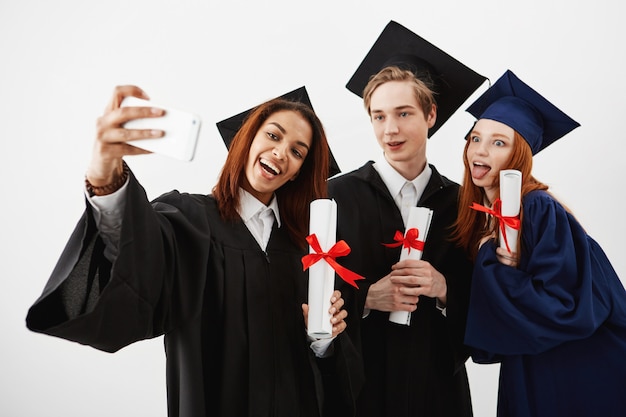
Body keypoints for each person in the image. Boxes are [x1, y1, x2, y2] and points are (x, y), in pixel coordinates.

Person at [26, 84, 362, 417]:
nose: (280, 152)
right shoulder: (188, 220)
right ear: (247, 140)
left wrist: (323, 339)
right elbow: (136, 254)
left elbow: (331, 377)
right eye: (273, 136)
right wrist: (106, 175)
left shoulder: (310, 252)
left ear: (297, 173)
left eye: (297, 151)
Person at [326, 21, 486, 417]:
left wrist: (445, 288)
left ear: (431, 114)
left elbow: (487, 298)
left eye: (403, 113)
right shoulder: (333, 197)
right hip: (361, 390)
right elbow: (303, 293)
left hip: (437, 390)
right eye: (378, 116)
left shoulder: (465, 203)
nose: (390, 130)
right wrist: (365, 299)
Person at [454, 69, 626, 417]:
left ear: (520, 155)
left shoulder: (538, 207)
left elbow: (562, 304)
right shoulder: (484, 214)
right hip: (534, 361)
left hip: (581, 367)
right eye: (475, 138)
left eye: (498, 142)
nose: (480, 150)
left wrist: (489, 256)